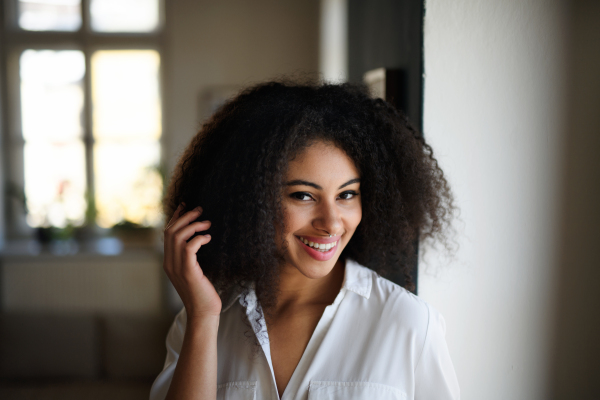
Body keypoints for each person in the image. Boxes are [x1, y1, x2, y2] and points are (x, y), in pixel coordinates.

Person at [150, 81, 460, 400]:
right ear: (248, 199)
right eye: (303, 195)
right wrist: (203, 318)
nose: (331, 223)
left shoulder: (409, 324)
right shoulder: (200, 320)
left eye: (347, 194)